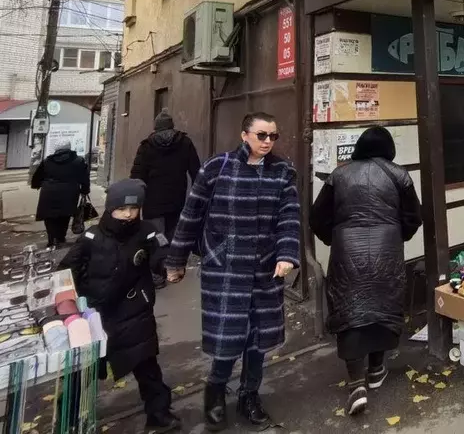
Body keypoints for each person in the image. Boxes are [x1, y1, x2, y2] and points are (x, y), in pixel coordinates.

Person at [164, 112, 300, 430]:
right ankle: (214, 391)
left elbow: (289, 216)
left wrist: (287, 254)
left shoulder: (282, 172)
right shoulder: (217, 167)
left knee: (258, 340)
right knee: (228, 337)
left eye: (273, 136)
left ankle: (249, 395)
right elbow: (191, 213)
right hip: (224, 268)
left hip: (266, 269)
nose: (268, 142)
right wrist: (176, 260)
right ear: (244, 135)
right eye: (261, 135)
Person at [311, 126, 422, 416]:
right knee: (383, 307)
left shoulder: (339, 175)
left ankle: (356, 383)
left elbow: (316, 217)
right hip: (387, 249)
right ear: (388, 149)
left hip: (348, 249)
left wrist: (335, 238)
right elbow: (413, 217)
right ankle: (376, 369)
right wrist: (397, 236)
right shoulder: (399, 174)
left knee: (350, 310)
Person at [60, 179, 179, 433]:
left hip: (134, 310)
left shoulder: (146, 231)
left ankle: (158, 413)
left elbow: (161, 253)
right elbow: (67, 270)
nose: (128, 214)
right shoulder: (91, 236)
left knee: (146, 364)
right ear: (110, 207)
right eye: (122, 208)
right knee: (82, 370)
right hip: (95, 314)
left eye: (134, 208)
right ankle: (66, 418)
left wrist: (169, 268)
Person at [130, 110, 201, 242]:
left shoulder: (146, 146)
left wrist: (133, 202)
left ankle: (157, 259)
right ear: (171, 125)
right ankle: (169, 260)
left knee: (154, 237)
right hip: (176, 198)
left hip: (152, 201)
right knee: (173, 236)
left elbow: (137, 177)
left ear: (155, 127)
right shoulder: (185, 142)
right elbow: (196, 172)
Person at [32, 139, 90, 248]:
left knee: (49, 217)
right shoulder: (78, 161)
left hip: (49, 192)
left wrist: (36, 185)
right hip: (69, 192)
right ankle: (60, 238)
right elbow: (84, 177)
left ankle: (51, 239)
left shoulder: (47, 161)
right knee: (64, 216)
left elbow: (37, 177)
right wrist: (85, 190)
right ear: (69, 147)